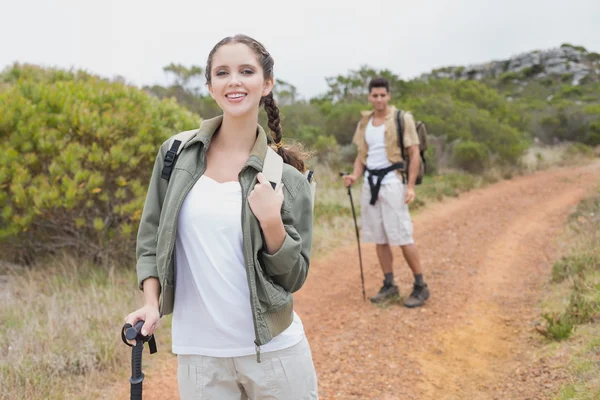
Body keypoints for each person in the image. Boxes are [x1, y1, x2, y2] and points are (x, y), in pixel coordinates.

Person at [125, 34, 318, 399]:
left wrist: (272, 222)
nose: (234, 81)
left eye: (246, 71)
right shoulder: (175, 154)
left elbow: (294, 277)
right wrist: (151, 303)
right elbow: (150, 238)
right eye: (222, 72)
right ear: (210, 86)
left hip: (274, 354)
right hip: (200, 357)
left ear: (267, 83)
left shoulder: (285, 178)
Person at [342, 77, 430, 308]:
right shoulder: (365, 121)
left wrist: (410, 186)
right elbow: (362, 155)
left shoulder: (402, 119)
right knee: (379, 237)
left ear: (388, 96)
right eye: (375, 95)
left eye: (383, 95)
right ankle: (389, 284)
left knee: (401, 235)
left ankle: (420, 285)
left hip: (393, 182)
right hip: (371, 183)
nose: (379, 99)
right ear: (369, 97)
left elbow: (413, 153)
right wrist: (355, 175)